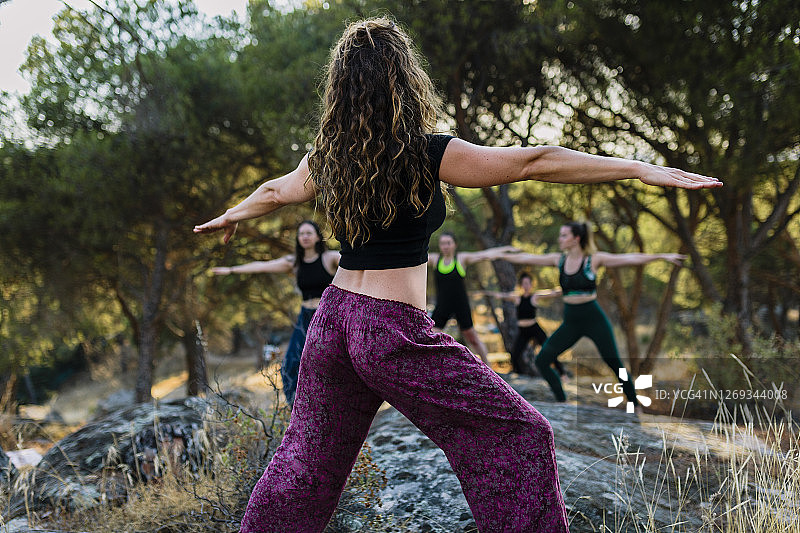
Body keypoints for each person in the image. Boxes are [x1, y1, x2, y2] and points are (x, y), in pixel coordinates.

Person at [193, 18, 721, 533]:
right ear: (403, 80)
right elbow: (534, 161)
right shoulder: (427, 152)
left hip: (332, 324)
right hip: (389, 330)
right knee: (520, 434)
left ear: (341, 89)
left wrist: (232, 215)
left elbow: (274, 192)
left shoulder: (328, 159)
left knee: (305, 468)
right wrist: (636, 167)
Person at [498, 222, 687, 410]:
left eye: (564, 235)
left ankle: (635, 405)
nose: (560, 239)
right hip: (571, 322)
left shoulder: (593, 260)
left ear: (576, 238)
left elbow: (629, 258)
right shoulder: (559, 260)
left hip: (593, 319)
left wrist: (661, 256)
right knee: (542, 360)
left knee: (614, 362)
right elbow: (528, 258)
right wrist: (498, 254)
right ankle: (562, 402)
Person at [212, 220, 339, 406]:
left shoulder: (330, 258)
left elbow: (356, 265)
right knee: (290, 364)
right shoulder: (294, 263)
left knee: (326, 363)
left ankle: (331, 404)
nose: (304, 237)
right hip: (305, 317)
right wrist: (231, 270)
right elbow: (262, 266)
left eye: (309, 233)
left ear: (318, 237)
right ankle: (297, 408)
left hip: (327, 316)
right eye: (301, 234)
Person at [427, 232, 514, 364]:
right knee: (430, 338)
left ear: (455, 245)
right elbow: (414, 257)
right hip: (442, 307)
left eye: (448, 243)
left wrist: (505, 249)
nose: (445, 246)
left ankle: (489, 369)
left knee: (473, 340)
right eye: (443, 243)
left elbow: (484, 255)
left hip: (460, 305)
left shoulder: (461, 258)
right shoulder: (435, 259)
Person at [481, 271, 566, 376]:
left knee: (548, 349)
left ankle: (562, 373)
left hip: (534, 328)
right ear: (521, 285)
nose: (526, 286)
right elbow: (503, 295)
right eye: (524, 283)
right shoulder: (517, 298)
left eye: (528, 283)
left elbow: (552, 293)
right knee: (515, 355)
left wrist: (566, 288)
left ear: (531, 284)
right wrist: (488, 293)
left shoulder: (534, 296)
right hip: (523, 331)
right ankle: (519, 374)